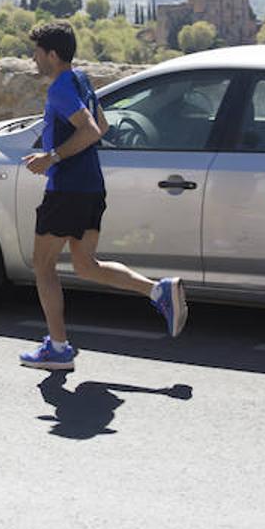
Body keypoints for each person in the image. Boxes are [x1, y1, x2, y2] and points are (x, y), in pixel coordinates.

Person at [17, 20, 187, 371]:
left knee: (43, 265)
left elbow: (92, 131)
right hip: (91, 186)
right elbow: (103, 126)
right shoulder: (80, 79)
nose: (33, 58)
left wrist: (52, 157)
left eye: (36, 52)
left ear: (51, 54)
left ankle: (59, 348)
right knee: (85, 265)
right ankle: (157, 291)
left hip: (66, 190)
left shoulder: (61, 88)